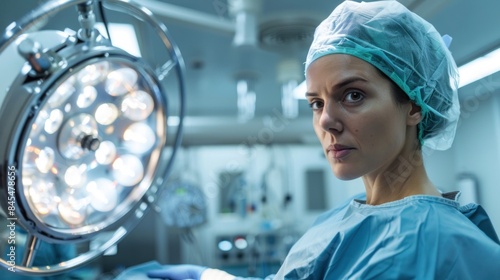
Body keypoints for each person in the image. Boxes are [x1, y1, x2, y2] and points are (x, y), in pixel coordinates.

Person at [147, 1, 500, 279]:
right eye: (316, 103)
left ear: (413, 106)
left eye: (353, 96)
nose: (326, 120)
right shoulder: (347, 221)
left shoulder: (441, 244)